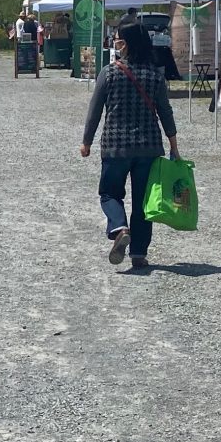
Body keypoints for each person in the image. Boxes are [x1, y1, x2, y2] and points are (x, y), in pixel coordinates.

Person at [80, 19, 180, 270]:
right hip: (149, 147)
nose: (114, 43)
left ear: (124, 44)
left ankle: (119, 227)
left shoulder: (110, 72)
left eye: (116, 39)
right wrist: (174, 146)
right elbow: (165, 112)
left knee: (110, 193)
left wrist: (86, 142)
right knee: (144, 202)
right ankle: (138, 254)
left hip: (116, 145)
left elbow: (94, 111)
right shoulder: (154, 75)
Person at [12, 9, 41, 79]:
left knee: (23, 53)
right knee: (31, 54)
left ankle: (24, 65)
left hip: (23, 38)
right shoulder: (23, 22)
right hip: (27, 39)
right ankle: (31, 66)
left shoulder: (20, 22)